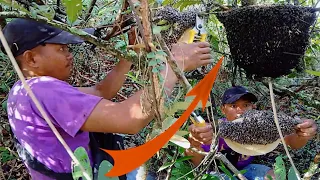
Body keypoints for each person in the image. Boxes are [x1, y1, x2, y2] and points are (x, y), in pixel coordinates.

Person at [1, 18, 214, 180]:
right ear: (31, 58)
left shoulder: (23, 92)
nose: (69, 54)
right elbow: (128, 120)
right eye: (61, 48)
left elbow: (102, 91)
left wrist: (127, 56)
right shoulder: (44, 91)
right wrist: (176, 65)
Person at [185, 86, 318, 180]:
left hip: (247, 168)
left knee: (274, 176)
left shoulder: (260, 125)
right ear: (223, 109)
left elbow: (292, 142)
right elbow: (196, 162)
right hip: (216, 173)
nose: (240, 110)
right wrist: (194, 142)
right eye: (233, 106)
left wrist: (303, 132)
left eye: (246, 105)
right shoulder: (214, 129)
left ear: (252, 107)